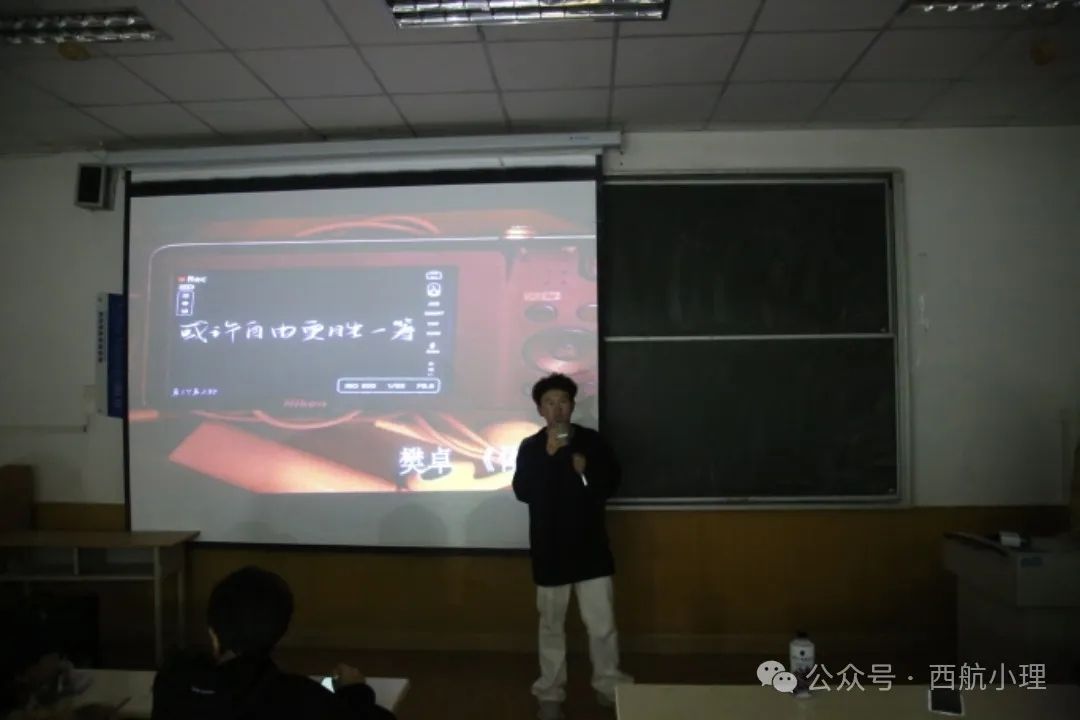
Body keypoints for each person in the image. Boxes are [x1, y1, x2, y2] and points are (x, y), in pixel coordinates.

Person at [512, 373, 632, 720]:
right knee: (551, 626)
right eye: (549, 403)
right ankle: (550, 691)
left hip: (591, 547)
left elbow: (610, 484)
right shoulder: (531, 446)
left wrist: (587, 471)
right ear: (540, 409)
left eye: (563, 401)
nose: (557, 408)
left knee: (602, 625)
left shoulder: (592, 442)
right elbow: (524, 491)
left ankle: (609, 686)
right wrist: (550, 455)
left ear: (572, 405)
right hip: (550, 549)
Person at [151, 566, 394, 720]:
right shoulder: (296, 697)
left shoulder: (171, 684)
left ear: (213, 633)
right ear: (279, 632)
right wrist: (354, 691)